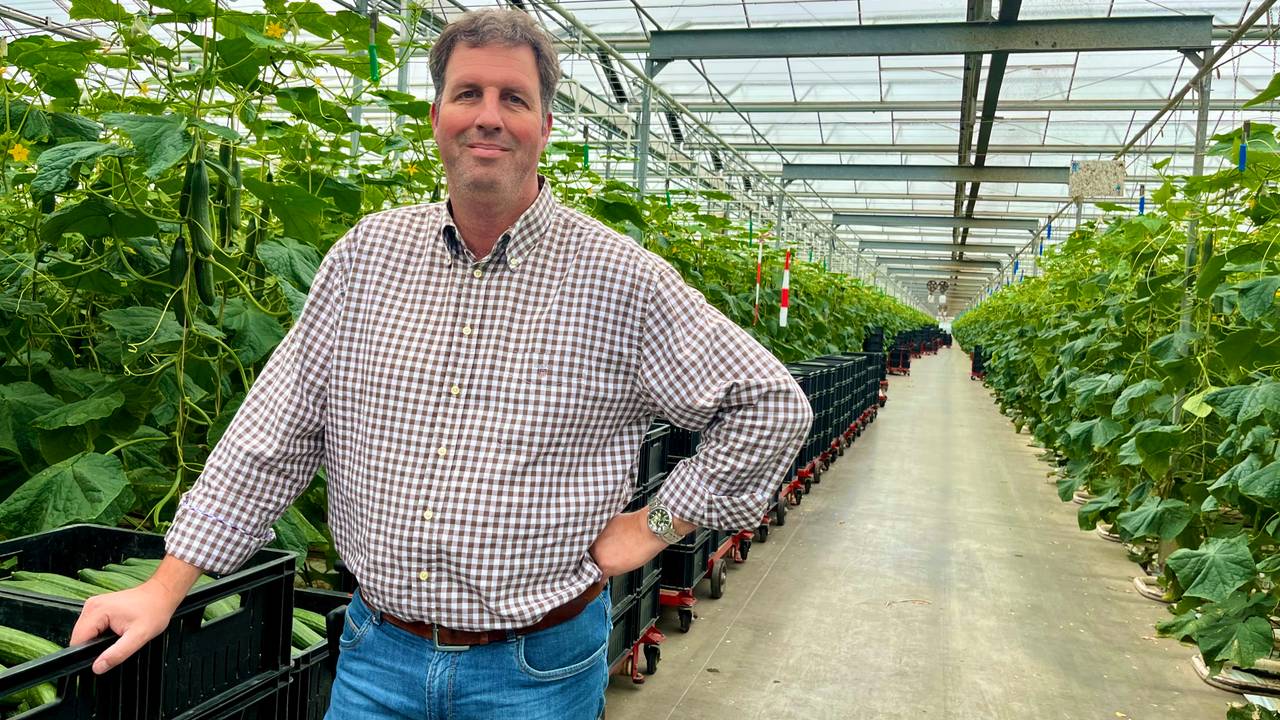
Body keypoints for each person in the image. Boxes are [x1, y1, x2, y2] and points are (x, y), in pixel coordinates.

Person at [70, 8, 812, 719]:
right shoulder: (367, 256)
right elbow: (277, 430)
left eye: (513, 98)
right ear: (436, 120)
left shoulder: (620, 277)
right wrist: (167, 586)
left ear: (545, 128)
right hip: (375, 656)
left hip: (535, 671)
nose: (488, 115)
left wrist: (658, 522)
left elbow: (771, 404)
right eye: (468, 94)